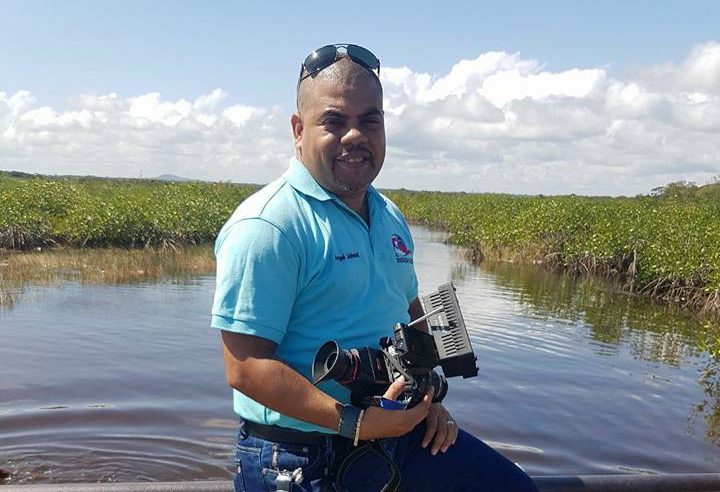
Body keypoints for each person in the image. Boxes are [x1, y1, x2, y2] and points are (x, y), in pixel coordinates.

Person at [211, 43, 539, 492]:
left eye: (370, 120)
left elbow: (410, 317)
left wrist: (423, 402)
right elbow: (245, 367)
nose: (354, 136)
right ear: (297, 129)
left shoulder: (389, 215)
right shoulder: (269, 225)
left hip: (396, 433)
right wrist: (355, 422)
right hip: (300, 456)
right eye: (334, 120)